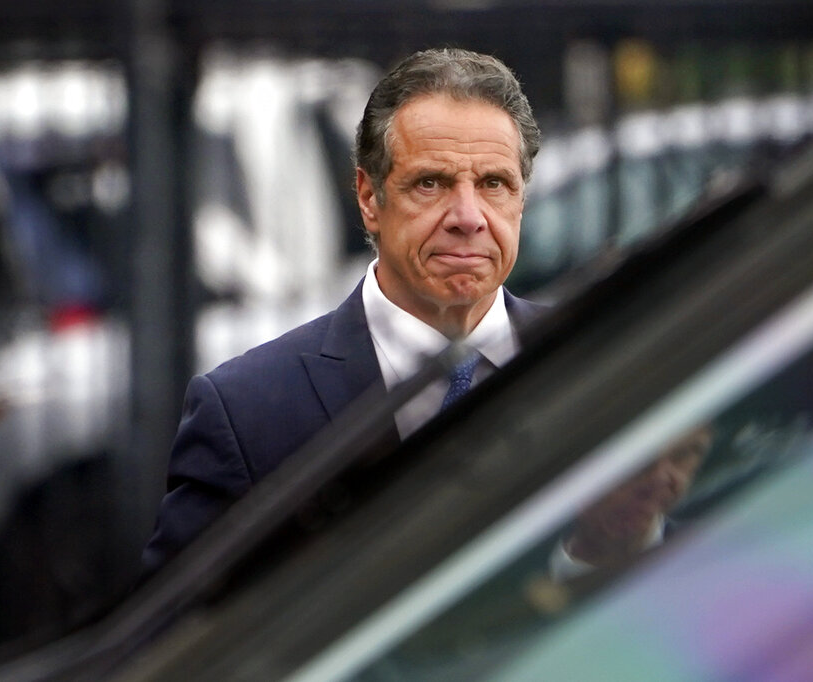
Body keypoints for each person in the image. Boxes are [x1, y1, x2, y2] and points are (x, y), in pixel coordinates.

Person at [142, 48, 544, 574]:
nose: (468, 217)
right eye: (431, 183)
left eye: (493, 184)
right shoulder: (245, 414)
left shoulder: (602, 354)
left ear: (521, 197)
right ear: (368, 198)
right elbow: (179, 636)